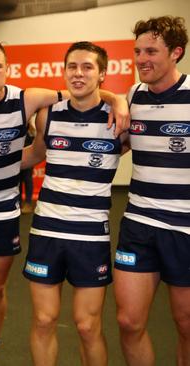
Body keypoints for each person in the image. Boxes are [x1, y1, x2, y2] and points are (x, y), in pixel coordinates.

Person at [0, 37, 128, 366]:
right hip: (3, 218)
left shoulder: (40, 103)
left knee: (85, 324)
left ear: (8, 69)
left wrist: (117, 100)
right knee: (20, 310)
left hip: (54, 224)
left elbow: (86, 95)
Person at [21, 41, 124, 366]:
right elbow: (35, 155)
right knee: (43, 320)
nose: (78, 74)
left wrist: (119, 100)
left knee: (87, 325)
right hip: (47, 230)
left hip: (91, 236)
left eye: (87, 67)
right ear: (64, 71)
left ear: (102, 73)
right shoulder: (47, 115)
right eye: (72, 67)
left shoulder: (118, 121)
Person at [114, 16, 190, 366]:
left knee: (186, 324)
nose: (141, 58)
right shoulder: (133, 94)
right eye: (137, 51)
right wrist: (116, 98)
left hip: (184, 227)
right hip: (139, 223)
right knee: (128, 323)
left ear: (176, 53)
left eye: (151, 51)